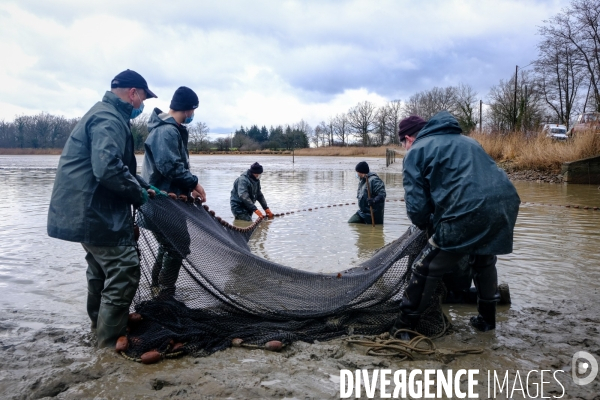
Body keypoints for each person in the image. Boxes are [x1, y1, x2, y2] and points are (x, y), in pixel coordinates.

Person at [47, 69, 158, 348]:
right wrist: (137, 195)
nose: (142, 105)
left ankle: (100, 328)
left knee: (99, 270)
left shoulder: (104, 113)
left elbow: (119, 165)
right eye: (143, 97)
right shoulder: (109, 118)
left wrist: (143, 185)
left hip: (86, 213)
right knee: (124, 268)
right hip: (93, 213)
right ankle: (108, 345)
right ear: (133, 93)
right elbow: (107, 168)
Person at [391, 111, 520, 338]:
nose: (404, 148)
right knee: (484, 259)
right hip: (505, 205)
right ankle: (487, 320)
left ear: (408, 139)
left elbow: (417, 208)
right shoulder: (470, 142)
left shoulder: (416, 152)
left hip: (465, 211)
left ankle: (403, 328)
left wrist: (428, 229)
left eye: (403, 144)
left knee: (426, 267)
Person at [142, 86, 206, 296]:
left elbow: (175, 168)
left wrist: (189, 188)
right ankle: (165, 292)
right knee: (177, 245)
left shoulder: (171, 129)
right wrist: (195, 184)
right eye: (193, 111)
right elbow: (170, 167)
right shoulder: (167, 131)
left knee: (168, 244)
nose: (193, 115)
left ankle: (157, 288)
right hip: (161, 201)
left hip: (168, 200)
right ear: (188, 110)